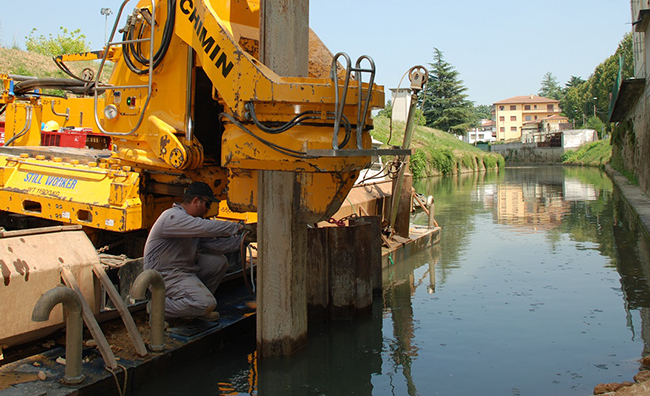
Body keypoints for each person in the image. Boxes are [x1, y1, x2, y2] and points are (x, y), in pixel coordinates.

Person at [143, 181, 255, 321]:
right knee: (207, 303)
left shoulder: (190, 222)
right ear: (196, 201)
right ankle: (158, 306)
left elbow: (213, 245)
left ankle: (193, 308)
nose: (207, 210)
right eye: (207, 205)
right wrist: (238, 227)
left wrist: (243, 240)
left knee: (218, 262)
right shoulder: (172, 217)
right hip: (165, 274)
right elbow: (204, 227)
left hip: (182, 271)